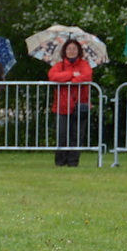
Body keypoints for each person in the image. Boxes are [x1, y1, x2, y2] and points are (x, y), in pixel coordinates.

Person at [48, 38, 93, 167]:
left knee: (77, 135)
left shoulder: (84, 64)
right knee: (61, 135)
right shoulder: (59, 65)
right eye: (69, 49)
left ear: (78, 51)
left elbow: (87, 75)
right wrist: (73, 74)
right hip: (61, 106)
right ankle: (60, 161)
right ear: (64, 51)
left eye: (74, 49)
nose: (72, 51)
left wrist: (69, 79)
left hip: (80, 104)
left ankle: (73, 162)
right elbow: (53, 76)